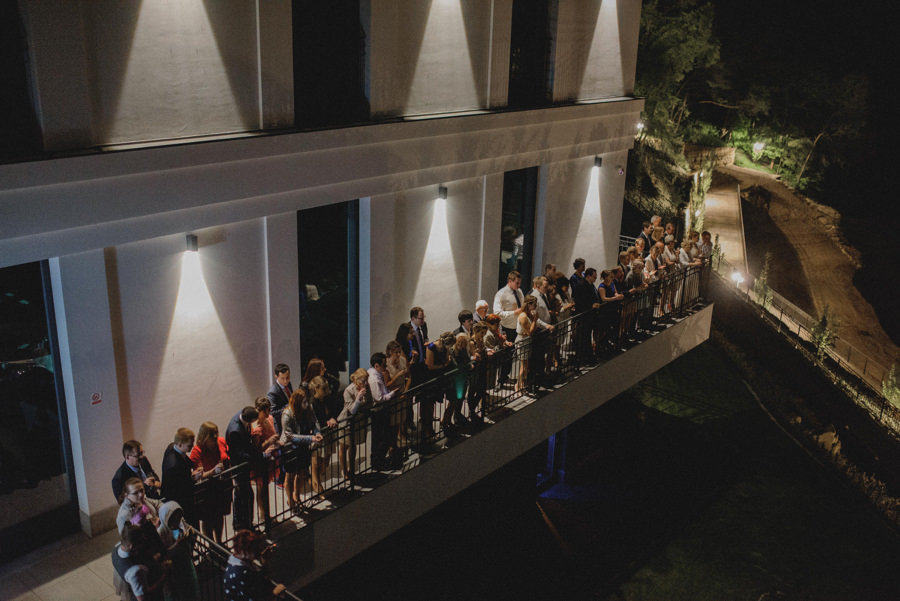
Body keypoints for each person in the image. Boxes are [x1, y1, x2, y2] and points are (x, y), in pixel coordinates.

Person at [280, 390, 321, 510]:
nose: (307, 404)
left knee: (302, 473)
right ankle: (290, 500)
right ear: (298, 402)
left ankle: (297, 496)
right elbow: (290, 436)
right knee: (290, 475)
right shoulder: (287, 414)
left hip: (303, 445)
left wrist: (317, 433)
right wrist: (310, 438)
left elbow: (315, 422)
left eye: (307, 401)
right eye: (304, 402)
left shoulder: (309, 408)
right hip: (290, 448)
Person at [189, 422, 230, 542]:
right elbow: (199, 475)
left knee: (219, 515)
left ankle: (219, 541)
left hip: (221, 485)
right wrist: (213, 471)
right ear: (205, 438)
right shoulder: (197, 451)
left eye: (216, 435)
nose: (215, 439)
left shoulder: (221, 442)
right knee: (208, 519)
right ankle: (212, 546)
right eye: (212, 437)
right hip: (206, 489)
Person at [112, 523, 171, 601]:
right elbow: (143, 597)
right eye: (141, 541)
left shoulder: (117, 548)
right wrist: (164, 574)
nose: (144, 541)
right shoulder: (135, 571)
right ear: (132, 546)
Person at [223, 530, 286, 601]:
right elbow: (252, 597)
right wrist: (274, 593)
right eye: (254, 550)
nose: (257, 553)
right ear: (244, 551)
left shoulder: (241, 562)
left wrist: (265, 561)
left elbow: (260, 577)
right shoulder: (240, 572)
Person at [156, 501, 200, 601]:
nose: (176, 522)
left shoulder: (181, 524)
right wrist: (176, 545)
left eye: (177, 518)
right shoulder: (161, 533)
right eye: (172, 519)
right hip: (172, 568)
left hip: (185, 563)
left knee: (191, 589)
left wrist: (190, 534)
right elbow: (163, 553)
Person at [226, 406, 260, 531]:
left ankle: (244, 523)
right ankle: (242, 524)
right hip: (238, 466)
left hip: (243, 462)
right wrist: (257, 456)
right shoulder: (235, 431)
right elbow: (238, 452)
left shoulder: (242, 415)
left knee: (244, 495)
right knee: (243, 495)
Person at [160, 428, 201, 526]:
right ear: (180, 444)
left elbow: (186, 461)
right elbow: (178, 489)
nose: (192, 447)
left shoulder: (172, 447)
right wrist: (193, 479)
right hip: (181, 504)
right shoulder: (173, 466)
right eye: (189, 445)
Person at [338, 368, 371, 485]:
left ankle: (352, 470)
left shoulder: (366, 387)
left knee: (353, 444)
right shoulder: (348, 390)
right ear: (356, 380)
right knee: (344, 446)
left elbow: (369, 402)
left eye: (367, 380)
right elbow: (351, 410)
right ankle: (345, 470)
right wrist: (358, 398)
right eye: (363, 381)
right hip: (346, 422)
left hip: (359, 421)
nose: (366, 383)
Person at [251, 396, 280, 522]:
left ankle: (266, 514)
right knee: (261, 490)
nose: (268, 413)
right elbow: (256, 449)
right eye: (266, 411)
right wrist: (269, 441)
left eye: (269, 410)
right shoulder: (256, 428)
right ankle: (263, 515)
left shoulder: (269, 419)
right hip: (262, 461)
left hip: (271, 457)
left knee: (265, 489)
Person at [308, 375, 337, 502]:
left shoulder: (327, 399)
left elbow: (332, 412)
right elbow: (315, 422)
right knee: (316, 463)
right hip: (318, 435)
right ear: (316, 389)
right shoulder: (312, 404)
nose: (327, 391)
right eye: (324, 389)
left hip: (327, 433)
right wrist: (327, 422)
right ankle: (317, 488)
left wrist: (332, 418)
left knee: (324, 462)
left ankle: (316, 483)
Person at [493, 270, 524, 384]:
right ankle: (501, 379)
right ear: (510, 281)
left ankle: (506, 375)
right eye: (517, 283)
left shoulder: (519, 291)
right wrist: (514, 313)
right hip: (508, 327)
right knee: (506, 355)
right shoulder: (501, 294)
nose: (519, 285)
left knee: (512, 354)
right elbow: (497, 313)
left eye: (520, 283)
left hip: (518, 326)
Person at [368, 352, 397, 469]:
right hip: (379, 411)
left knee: (382, 438)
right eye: (384, 365)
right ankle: (377, 463)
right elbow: (379, 398)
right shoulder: (374, 379)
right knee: (381, 439)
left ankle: (379, 461)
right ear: (376, 365)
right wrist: (392, 394)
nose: (385, 367)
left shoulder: (376, 375)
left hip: (381, 410)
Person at [515, 295, 539, 392]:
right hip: (522, 341)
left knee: (526, 365)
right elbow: (530, 331)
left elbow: (534, 329)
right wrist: (534, 320)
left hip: (527, 340)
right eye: (534, 304)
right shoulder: (523, 316)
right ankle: (518, 385)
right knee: (523, 367)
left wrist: (533, 323)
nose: (535, 307)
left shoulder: (528, 314)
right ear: (528, 304)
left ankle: (522, 383)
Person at [266, 364, 292, 435]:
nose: (285, 381)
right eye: (282, 378)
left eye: (287, 377)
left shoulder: (288, 384)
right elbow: (273, 412)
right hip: (281, 424)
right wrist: (289, 405)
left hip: (290, 420)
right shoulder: (272, 392)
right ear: (276, 376)